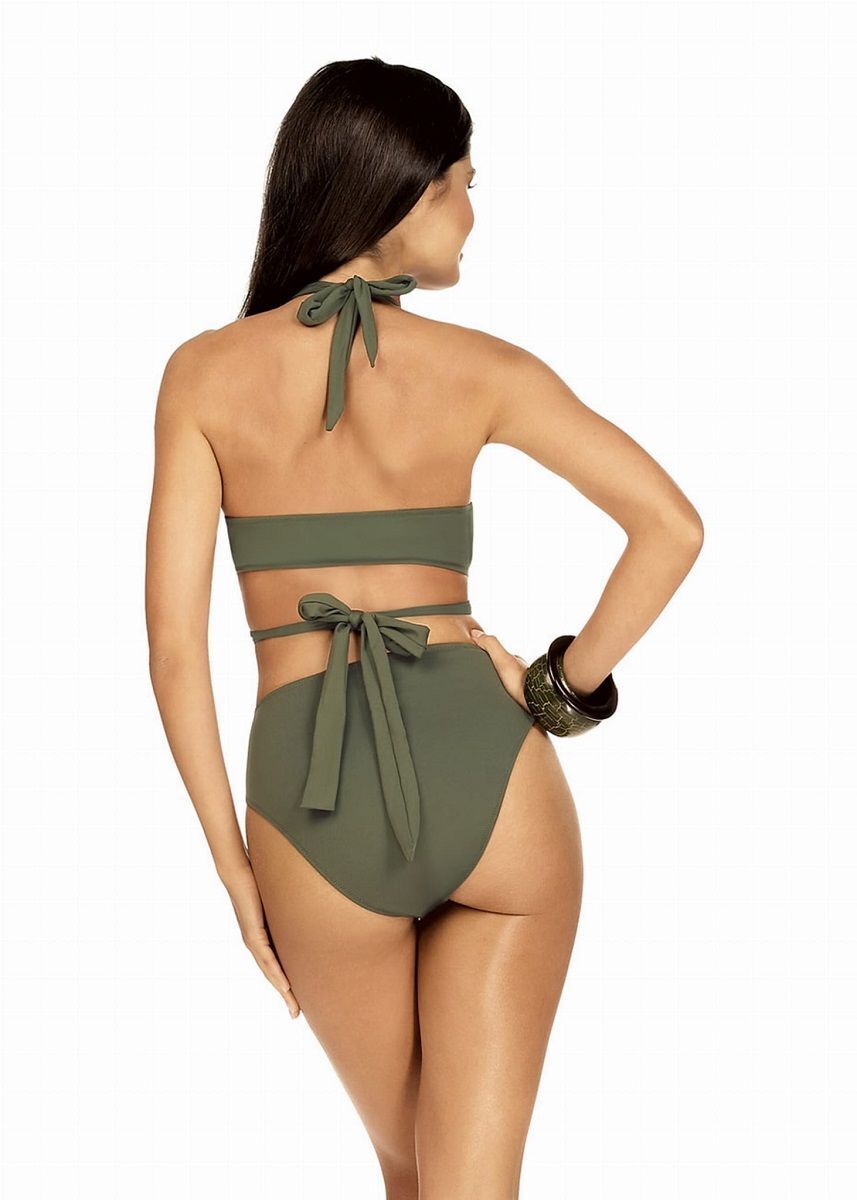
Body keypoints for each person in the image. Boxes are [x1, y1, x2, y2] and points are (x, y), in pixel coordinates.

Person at [145, 56, 703, 1199]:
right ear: (400, 187)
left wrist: (233, 870)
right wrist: (556, 691)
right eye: (463, 182)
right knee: (467, 1182)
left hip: (310, 800)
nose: (472, 213)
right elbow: (669, 529)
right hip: (492, 774)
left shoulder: (202, 375)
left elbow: (173, 652)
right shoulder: (483, 369)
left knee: (412, 1173)